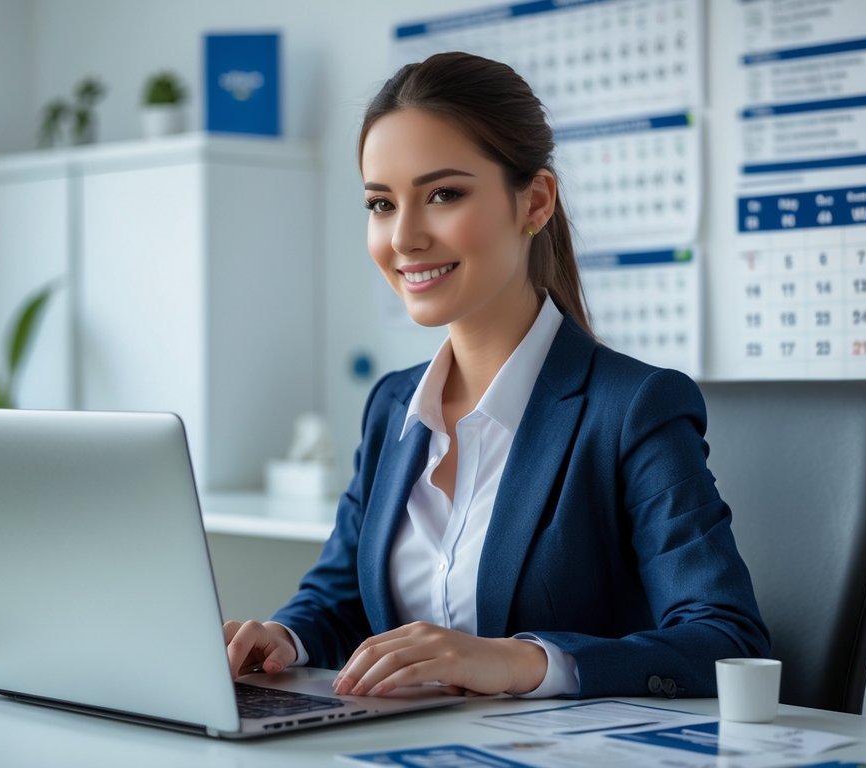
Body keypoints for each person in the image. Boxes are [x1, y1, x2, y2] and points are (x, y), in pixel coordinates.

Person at [222, 51, 770, 700]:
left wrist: (520, 662)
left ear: (534, 202)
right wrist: (286, 638)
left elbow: (725, 640)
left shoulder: (633, 408)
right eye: (380, 204)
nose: (403, 237)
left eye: (443, 195)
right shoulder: (393, 405)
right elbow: (341, 599)